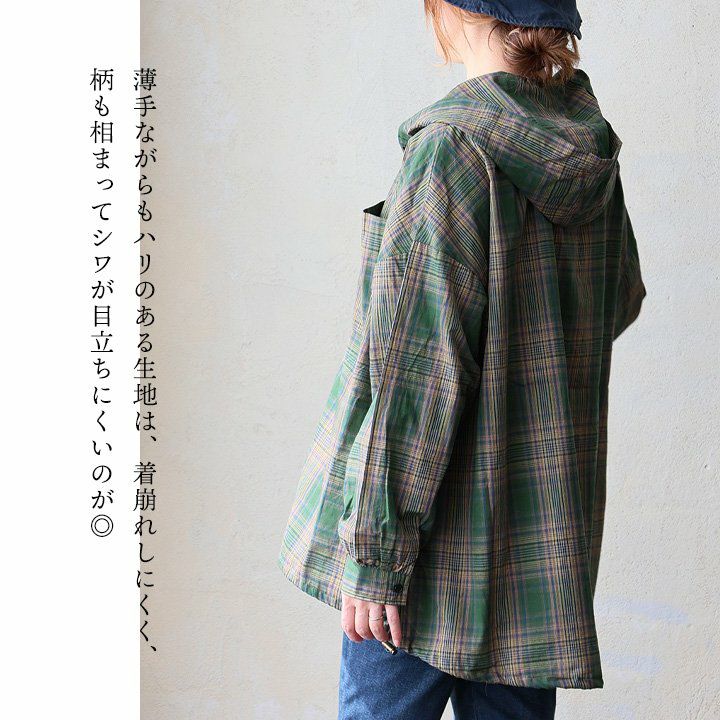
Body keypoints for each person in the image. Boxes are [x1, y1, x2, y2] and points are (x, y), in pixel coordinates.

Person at [277, 1, 648, 718]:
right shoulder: (588, 149)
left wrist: (376, 558)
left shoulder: (451, 149)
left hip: (424, 560)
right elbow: (618, 300)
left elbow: (415, 376)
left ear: (448, 15)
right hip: (537, 553)